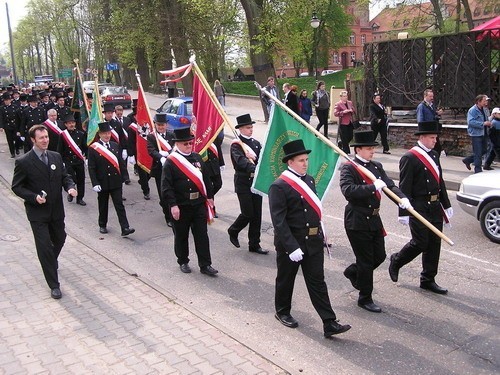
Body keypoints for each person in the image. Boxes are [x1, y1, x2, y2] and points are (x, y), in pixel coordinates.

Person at [269, 139, 351, 337]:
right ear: (290, 162)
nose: (305, 163)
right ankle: (282, 312)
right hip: (293, 244)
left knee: (317, 281)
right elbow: (279, 221)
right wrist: (291, 246)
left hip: (313, 242)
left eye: (306, 159)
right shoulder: (279, 186)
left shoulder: (309, 180)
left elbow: (313, 212)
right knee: (286, 279)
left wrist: (321, 235)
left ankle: (329, 322)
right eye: (300, 160)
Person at [340, 130, 411, 313]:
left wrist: (402, 199)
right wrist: (372, 187)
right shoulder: (349, 167)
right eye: (369, 148)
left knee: (379, 256)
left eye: (373, 148)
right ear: (358, 150)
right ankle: (365, 298)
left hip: (374, 218)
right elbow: (349, 190)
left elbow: (390, 185)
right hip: (357, 219)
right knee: (365, 260)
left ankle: (353, 272)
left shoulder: (376, 166)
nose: (372, 151)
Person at [12, 124, 77, 299]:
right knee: (45, 247)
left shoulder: (55, 157)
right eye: (41, 138)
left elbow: (65, 177)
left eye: (46, 137)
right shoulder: (24, 162)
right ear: (33, 140)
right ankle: (54, 285)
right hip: (38, 214)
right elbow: (17, 187)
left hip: (56, 211)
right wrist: (33, 197)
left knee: (60, 238)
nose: (45, 140)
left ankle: (50, 261)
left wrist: (70, 187)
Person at [389, 121, 452, 295]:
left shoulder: (434, 155)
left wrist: (446, 204)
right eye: (432, 137)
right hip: (418, 206)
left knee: (434, 243)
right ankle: (397, 260)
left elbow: (440, 181)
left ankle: (428, 279)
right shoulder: (410, 157)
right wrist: (403, 212)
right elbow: (404, 186)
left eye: (435, 137)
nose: (435, 140)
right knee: (420, 242)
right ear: (422, 137)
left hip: (434, 205)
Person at [161, 127, 218, 276]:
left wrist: (210, 197)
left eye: (190, 143)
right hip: (181, 205)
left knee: (202, 235)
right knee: (181, 235)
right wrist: (173, 205)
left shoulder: (197, 158)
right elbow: (166, 187)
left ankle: (205, 264)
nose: (188, 146)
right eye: (185, 144)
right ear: (177, 144)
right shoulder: (171, 162)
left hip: (198, 204)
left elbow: (206, 179)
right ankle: (183, 260)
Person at [227, 114, 268, 255]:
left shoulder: (256, 143)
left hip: (256, 182)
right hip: (243, 182)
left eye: (251, 127)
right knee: (247, 213)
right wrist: (255, 168)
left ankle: (254, 244)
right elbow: (241, 162)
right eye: (247, 127)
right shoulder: (236, 145)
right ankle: (233, 230)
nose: (251, 130)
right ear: (240, 129)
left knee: (257, 215)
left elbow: (263, 159)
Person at [87, 121, 135, 236]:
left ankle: (125, 227)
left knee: (119, 204)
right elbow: (91, 168)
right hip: (102, 182)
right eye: (104, 134)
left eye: (108, 133)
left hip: (115, 181)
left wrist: (124, 177)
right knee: (103, 205)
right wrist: (95, 183)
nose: (107, 135)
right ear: (100, 134)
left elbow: (120, 163)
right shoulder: (93, 148)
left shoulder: (114, 145)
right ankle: (102, 224)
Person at [147, 113, 173, 225]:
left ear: (166, 125)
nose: (161, 127)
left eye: (162, 125)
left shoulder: (172, 135)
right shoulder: (152, 137)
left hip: (172, 168)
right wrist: (160, 156)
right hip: (159, 169)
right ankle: (168, 217)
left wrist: (168, 153)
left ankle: (173, 214)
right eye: (158, 125)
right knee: (163, 194)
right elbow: (151, 150)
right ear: (155, 125)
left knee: (173, 193)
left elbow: (176, 148)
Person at [57, 114, 87, 206]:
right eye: (69, 123)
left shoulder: (81, 134)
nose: (71, 125)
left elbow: (85, 147)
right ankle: (71, 192)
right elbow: (60, 149)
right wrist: (61, 162)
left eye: (73, 123)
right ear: (66, 124)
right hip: (68, 161)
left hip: (79, 160)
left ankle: (80, 198)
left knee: (81, 180)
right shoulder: (63, 135)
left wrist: (87, 157)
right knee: (71, 179)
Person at [462, 95, 492, 173]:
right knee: (478, 152)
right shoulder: (472, 110)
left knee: (484, 150)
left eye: (487, 101)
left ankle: (468, 160)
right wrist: (483, 123)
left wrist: (489, 123)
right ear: (479, 101)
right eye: (484, 101)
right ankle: (478, 169)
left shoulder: (485, 109)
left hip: (484, 133)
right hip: (476, 134)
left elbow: (487, 118)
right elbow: (471, 122)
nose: (486, 102)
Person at [416, 89, 443, 154]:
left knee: (437, 148)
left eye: (432, 96)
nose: (432, 98)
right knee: (432, 149)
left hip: (433, 129)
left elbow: (433, 115)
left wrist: (437, 114)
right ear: (425, 96)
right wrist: (423, 132)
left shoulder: (432, 105)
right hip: (427, 131)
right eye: (430, 96)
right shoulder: (421, 106)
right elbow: (420, 120)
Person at [0, 93, 20, 158]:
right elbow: (1, 118)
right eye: (5, 100)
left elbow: (18, 116)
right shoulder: (2, 108)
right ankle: (12, 152)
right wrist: (1, 126)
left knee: (17, 138)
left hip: (15, 124)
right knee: (9, 139)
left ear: (10, 100)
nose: (6, 102)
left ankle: (17, 148)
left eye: (7, 100)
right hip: (7, 125)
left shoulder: (15, 106)